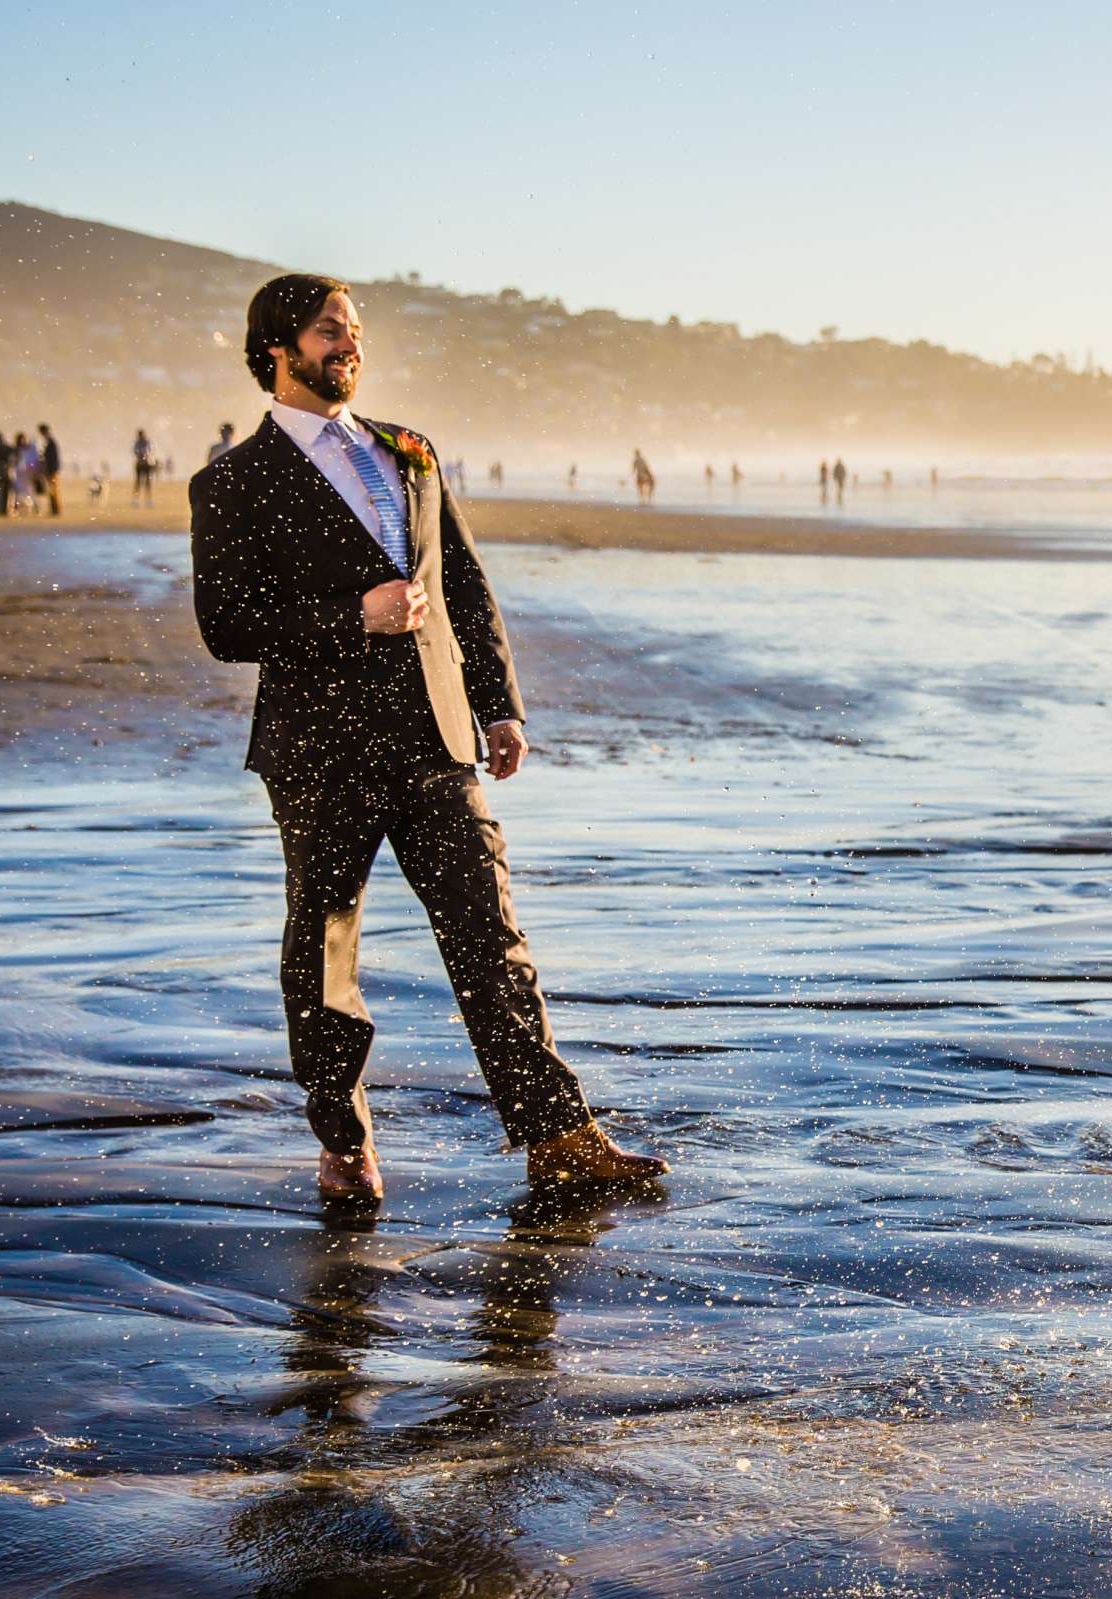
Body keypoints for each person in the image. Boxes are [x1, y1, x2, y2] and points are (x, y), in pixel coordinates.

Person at [189, 273, 669, 1202]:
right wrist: (351, 617)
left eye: (356, 329)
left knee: (492, 937)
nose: (349, 343)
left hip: (434, 735)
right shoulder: (234, 481)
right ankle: (343, 1141)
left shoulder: (410, 451)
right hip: (319, 751)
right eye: (329, 330)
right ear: (278, 349)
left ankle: (558, 1132)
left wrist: (498, 704)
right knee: (325, 948)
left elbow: (463, 588)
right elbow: (227, 624)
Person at [37, 423, 62, 516]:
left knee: (53, 491)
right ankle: (54, 510)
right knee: (53, 490)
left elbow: (52, 459)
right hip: (52, 470)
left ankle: (56, 510)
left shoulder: (50, 442)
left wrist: (50, 470)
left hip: (52, 471)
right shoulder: (50, 442)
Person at [132, 429, 156, 506]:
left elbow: (149, 451)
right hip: (141, 464)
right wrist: (142, 455)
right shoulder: (138, 443)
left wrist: (144, 455)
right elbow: (136, 452)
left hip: (146, 464)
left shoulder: (146, 442)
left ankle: (148, 500)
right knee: (139, 483)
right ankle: (136, 500)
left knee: (147, 483)